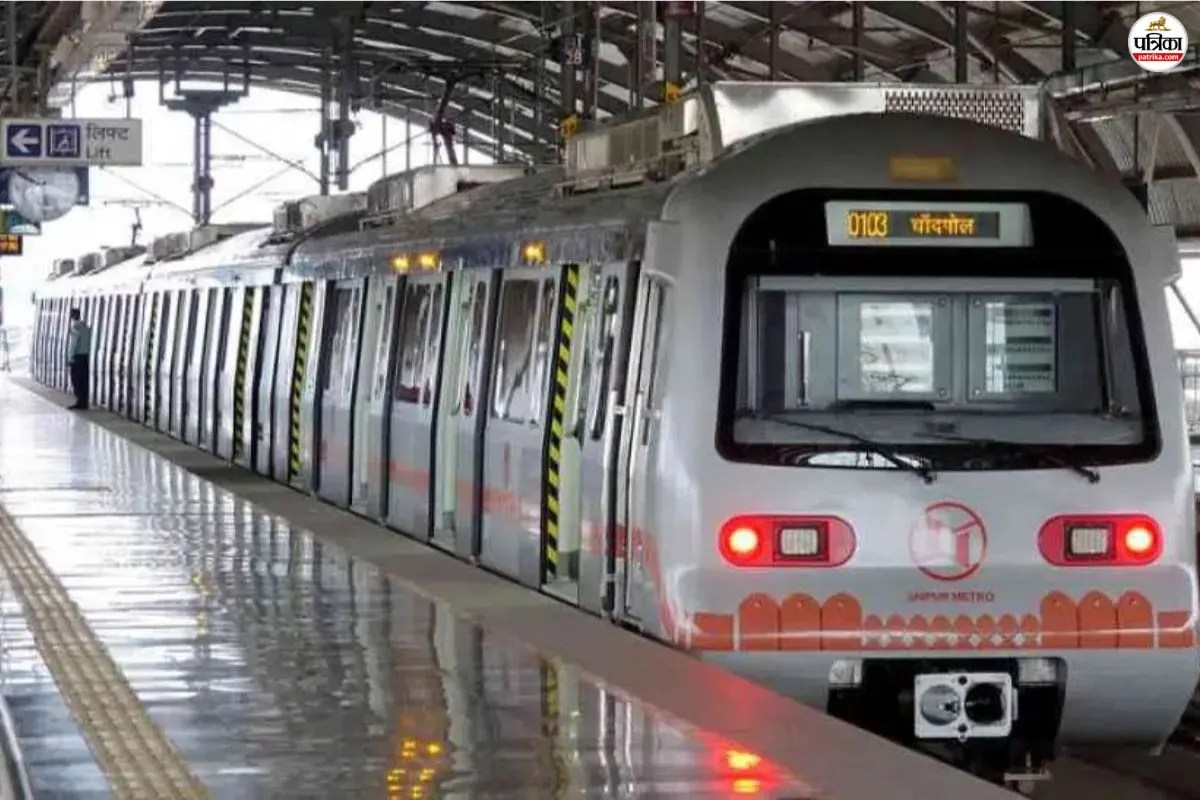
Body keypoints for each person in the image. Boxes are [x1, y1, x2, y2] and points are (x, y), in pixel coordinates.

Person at [66, 308, 91, 410]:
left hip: (77, 357)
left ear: (72, 316)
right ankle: (84, 402)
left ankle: (80, 402)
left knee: (76, 380)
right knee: (84, 381)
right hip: (85, 357)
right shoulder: (86, 327)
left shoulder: (75, 327)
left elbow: (73, 344)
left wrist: (70, 358)